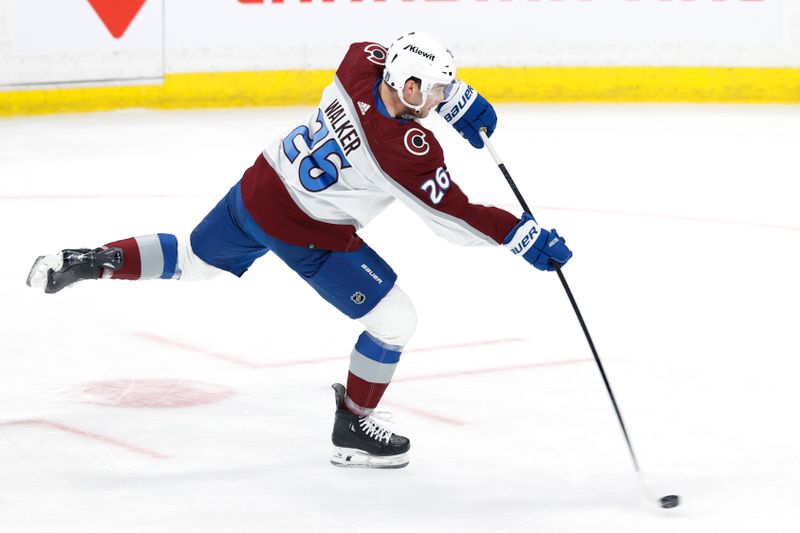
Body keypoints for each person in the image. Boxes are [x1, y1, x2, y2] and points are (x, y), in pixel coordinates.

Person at [26, 31, 572, 469]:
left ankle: (97, 259)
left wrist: (457, 97)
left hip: (259, 187)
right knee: (396, 321)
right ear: (403, 84)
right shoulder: (406, 150)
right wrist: (520, 235)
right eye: (426, 91)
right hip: (306, 230)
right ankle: (354, 426)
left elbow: (379, 51)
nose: (433, 100)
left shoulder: (358, 63)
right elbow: (452, 215)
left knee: (194, 259)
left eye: (438, 91)